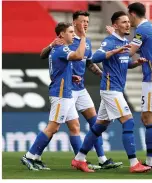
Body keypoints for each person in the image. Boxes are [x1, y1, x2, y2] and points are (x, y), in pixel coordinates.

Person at [40, 11, 122, 170]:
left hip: (81, 88)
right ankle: (38, 155)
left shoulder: (87, 42)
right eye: (82, 21)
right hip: (67, 89)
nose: (86, 24)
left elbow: (89, 63)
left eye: (87, 21)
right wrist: (51, 45)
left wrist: (102, 74)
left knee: (95, 122)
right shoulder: (65, 41)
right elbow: (44, 55)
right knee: (62, 126)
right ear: (74, 23)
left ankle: (102, 159)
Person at [71, 11, 151, 173]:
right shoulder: (110, 41)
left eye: (128, 22)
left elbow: (123, 62)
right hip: (110, 90)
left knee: (99, 127)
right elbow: (97, 57)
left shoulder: (123, 41)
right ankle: (134, 163)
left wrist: (136, 63)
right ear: (115, 26)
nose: (128, 24)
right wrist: (114, 51)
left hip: (115, 89)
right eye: (123, 22)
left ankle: (79, 159)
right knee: (128, 122)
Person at [21, 22, 86, 171]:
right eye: (70, 32)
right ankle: (29, 156)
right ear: (62, 34)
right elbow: (79, 55)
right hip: (60, 93)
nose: (73, 34)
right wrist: (83, 36)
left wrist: (71, 77)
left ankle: (80, 160)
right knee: (53, 127)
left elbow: (59, 70)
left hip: (67, 93)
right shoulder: (62, 48)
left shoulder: (59, 49)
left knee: (75, 125)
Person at [126, 2, 152, 169]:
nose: (128, 20)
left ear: (133, 14)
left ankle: (150, 162)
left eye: (128, 16)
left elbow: (129, 51)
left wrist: (113, 46)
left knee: (150, 120)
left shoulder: (142, 30)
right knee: (146, 118)